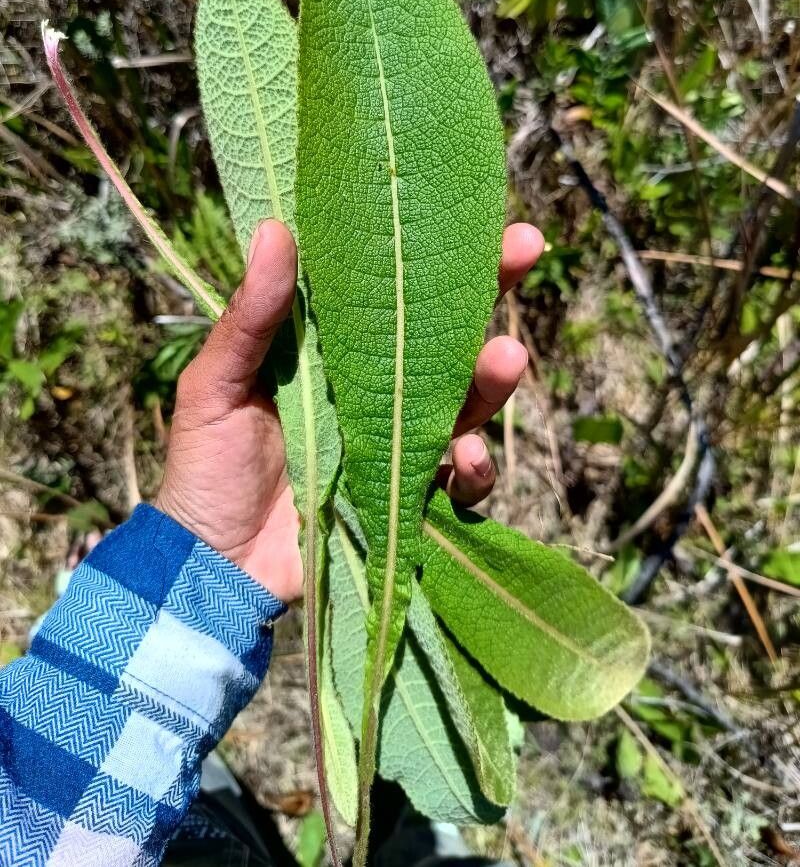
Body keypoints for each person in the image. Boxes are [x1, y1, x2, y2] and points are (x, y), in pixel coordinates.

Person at [0, 218, 544, 867]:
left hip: (147, 810)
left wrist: (205, 559)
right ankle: (424, 834)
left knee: (218, 797)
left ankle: (407, 813)